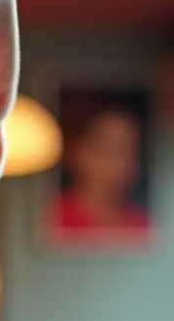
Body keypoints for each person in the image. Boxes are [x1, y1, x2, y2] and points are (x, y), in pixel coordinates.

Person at [50, 100, 151, 235]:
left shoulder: (143, 225)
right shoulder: (52, 218)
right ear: (79, 153)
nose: (120, 165)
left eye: (129, 154)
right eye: (109, 151)